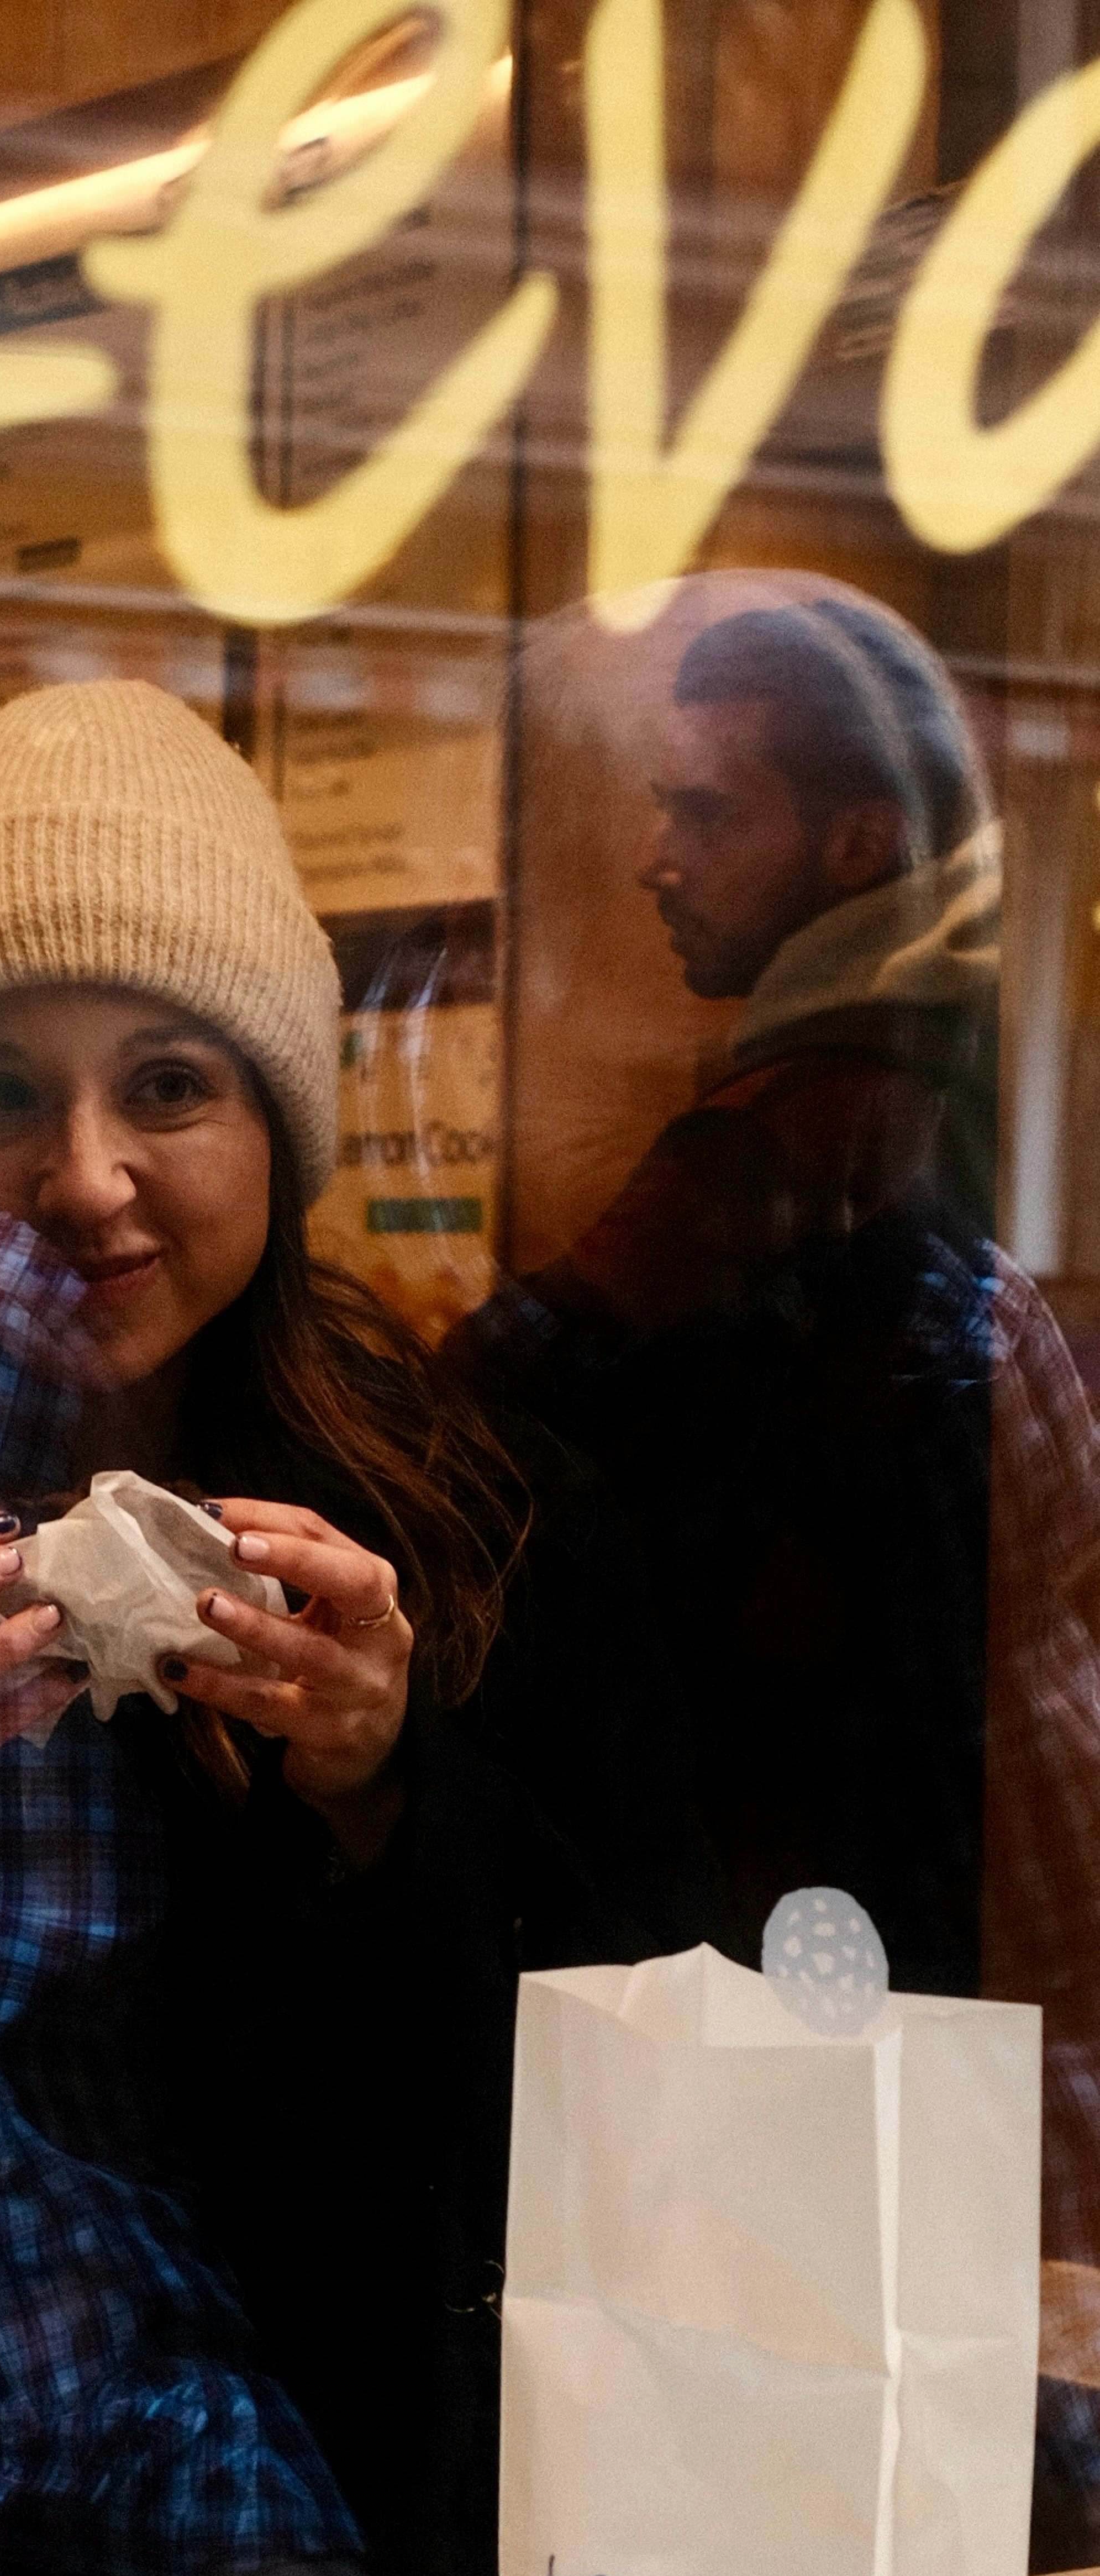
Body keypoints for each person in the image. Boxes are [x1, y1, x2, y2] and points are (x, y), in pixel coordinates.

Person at [0, 678, 722, 2576]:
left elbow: (643, 2085)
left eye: (172, 1084)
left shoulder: (481, 1520)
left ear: (279, 1123)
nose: (89, 1180)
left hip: (404, 2525)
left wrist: (388, 1794)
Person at [448, 596, 1002, 2003]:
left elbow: (507, 1377)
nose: (656, 859)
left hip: (791, 1845)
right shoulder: (913, 1076)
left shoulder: (802, 1129)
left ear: (859, 844)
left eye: (708, 816)